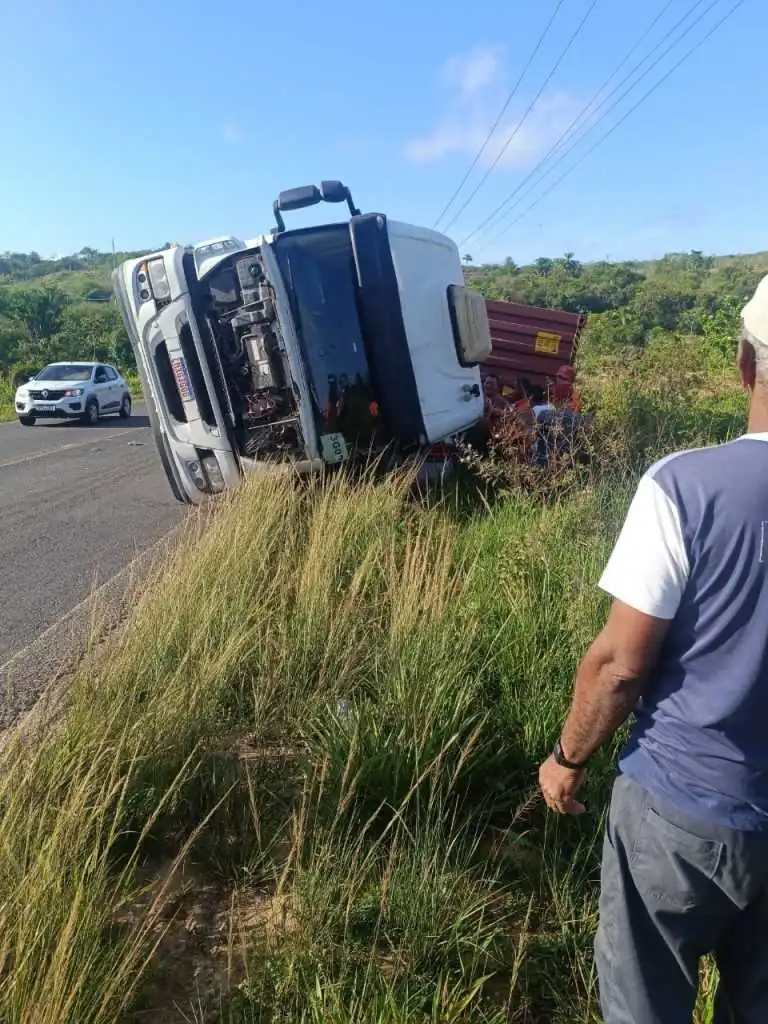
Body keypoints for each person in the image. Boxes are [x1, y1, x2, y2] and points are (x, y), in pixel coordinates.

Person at [538, 272, 768, 1022]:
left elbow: (619, 665)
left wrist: (568, 760)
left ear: (743, 364)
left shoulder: (684, 487)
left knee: (644, 1004)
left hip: (680, 810)